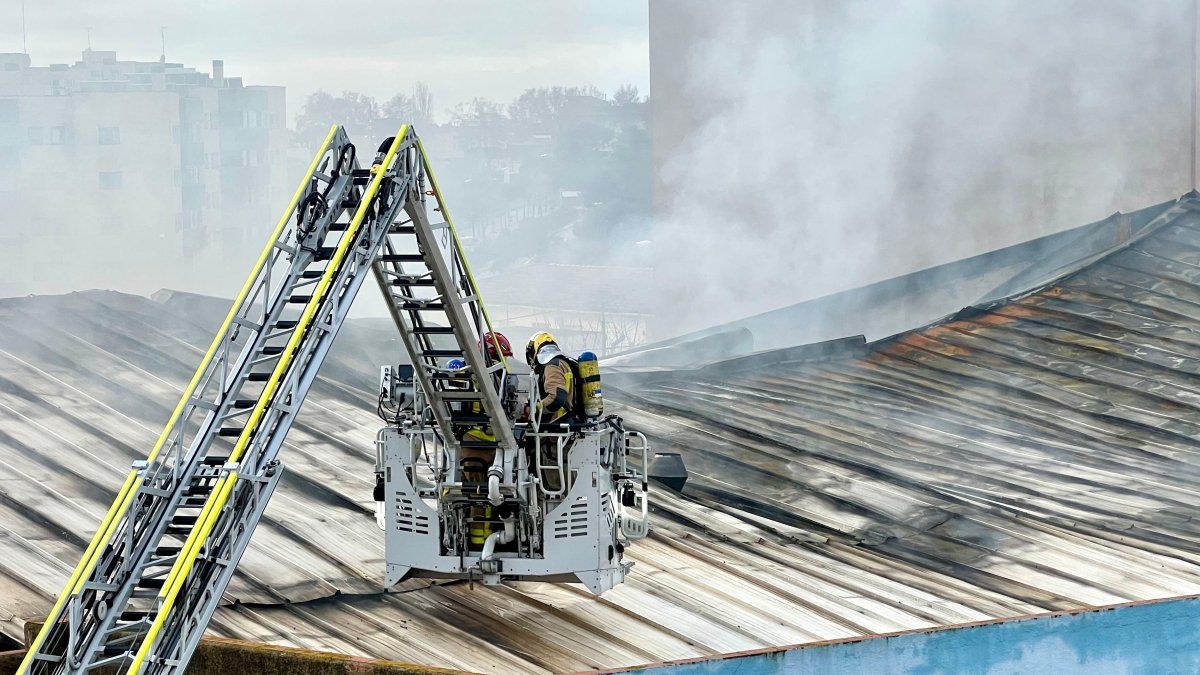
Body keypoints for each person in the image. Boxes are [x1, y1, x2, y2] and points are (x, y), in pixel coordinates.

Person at [525, 331, 576, 426]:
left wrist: (533, 411)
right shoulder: (562, 363)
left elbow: (557, 398)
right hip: (565, 423)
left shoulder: (552, 366)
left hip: (556, 426)